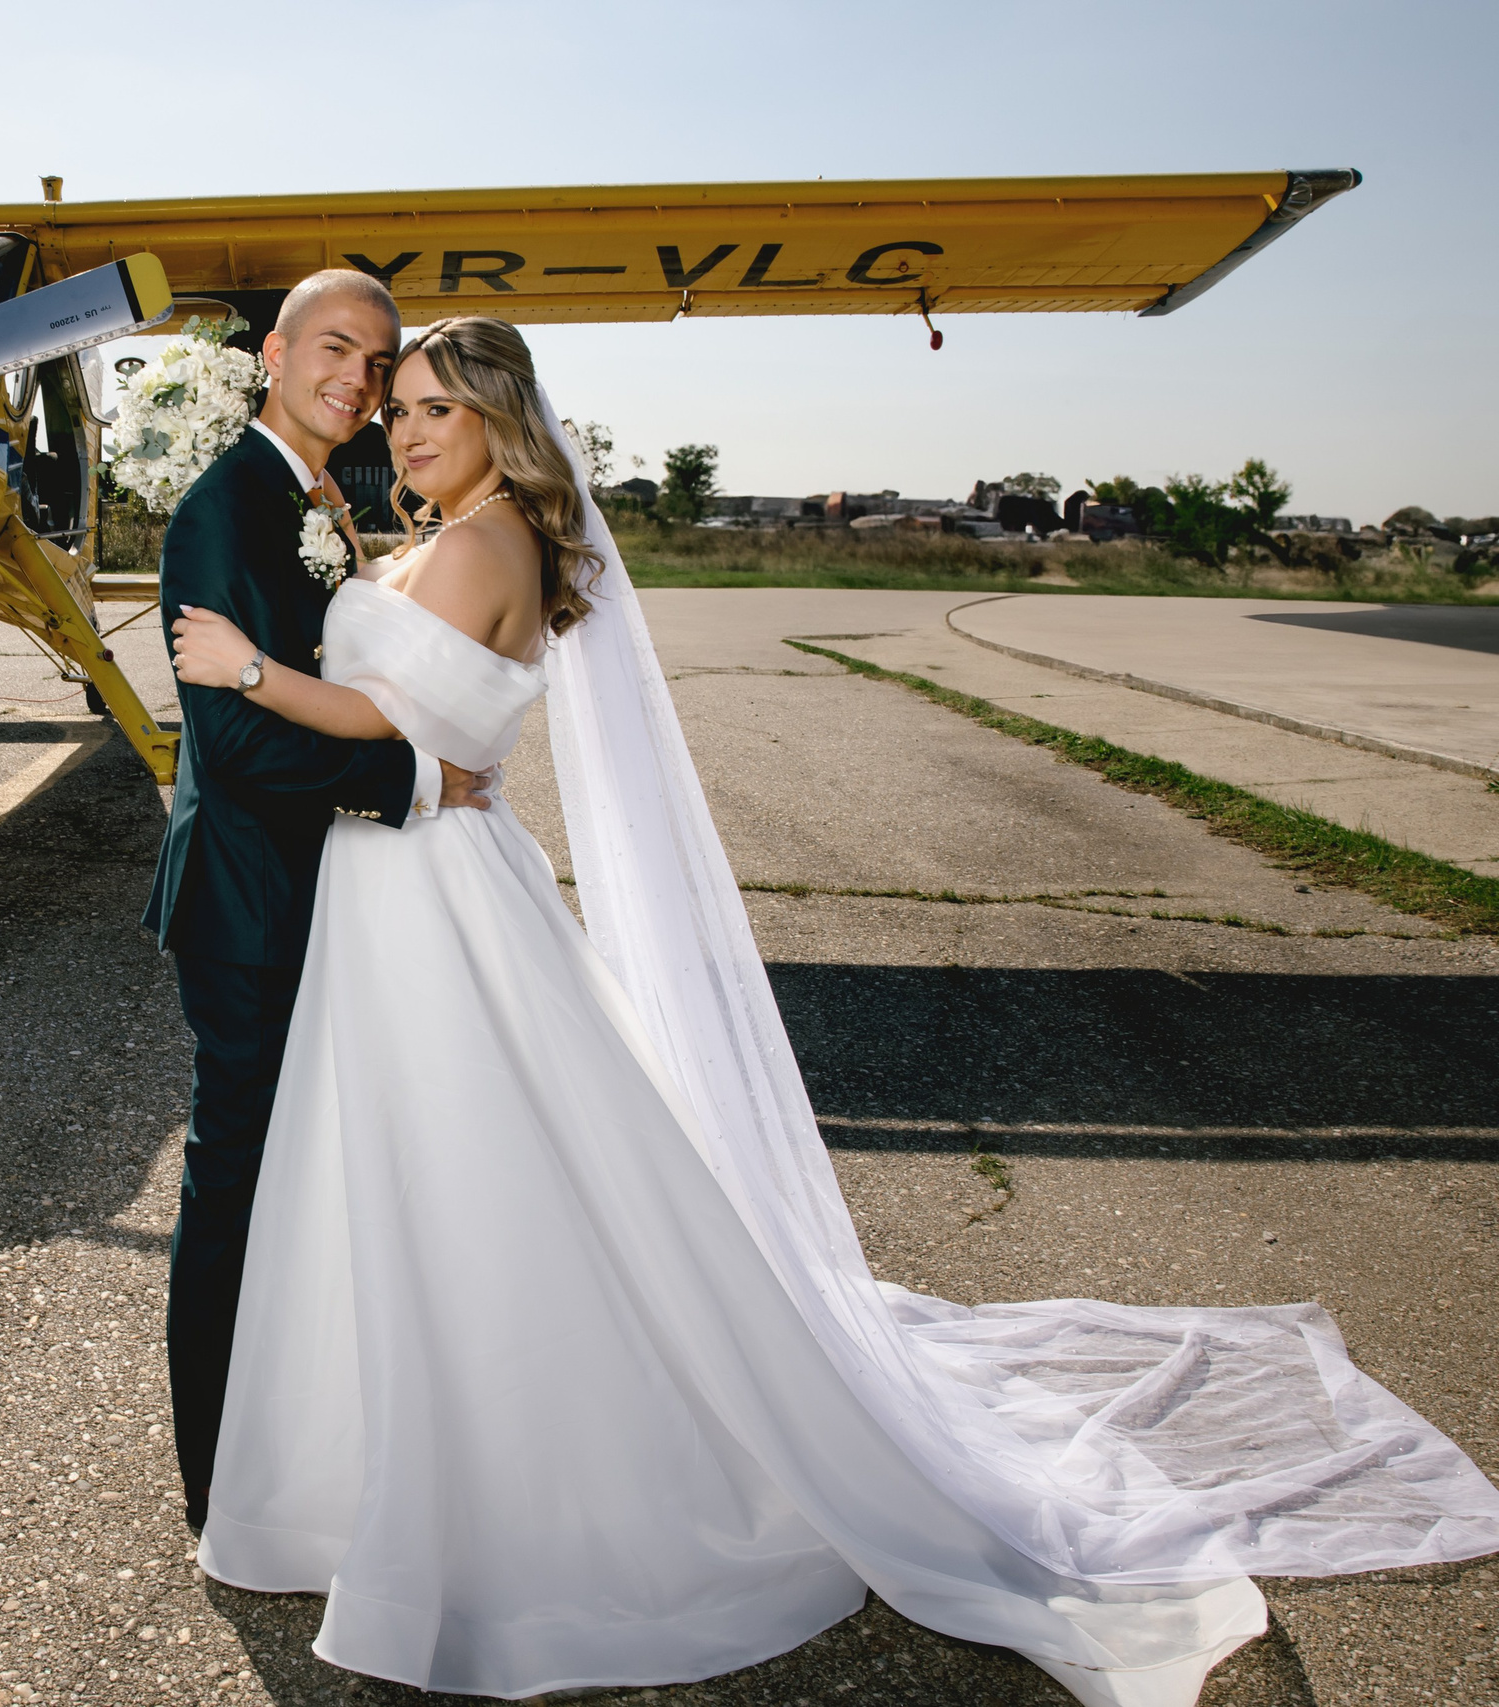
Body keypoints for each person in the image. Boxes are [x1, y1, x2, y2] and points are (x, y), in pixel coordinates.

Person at [164, 315, 1499, 1705]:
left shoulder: (485, 540)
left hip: (433, 894)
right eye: (401, 410)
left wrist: (251, 668)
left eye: (437, 405)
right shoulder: (460, 534)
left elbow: (387, 722)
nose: (407, 428)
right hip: (411, 894)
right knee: (419, 1178)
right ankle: (386, 1453)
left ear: (502, 418)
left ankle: (498, 1470)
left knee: (469, 1181)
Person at [144, 270, 491, 1537]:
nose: (359, 375)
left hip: (321, 894)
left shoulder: (318, 497)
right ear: (276, 352)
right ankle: (218, 1478)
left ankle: (297, 1445)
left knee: (303, 1182)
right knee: (234, 1182)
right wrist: (413, 778)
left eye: (380, 357)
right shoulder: (225, 505)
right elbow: (231, 747)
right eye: (336, 346)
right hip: (249, 905)